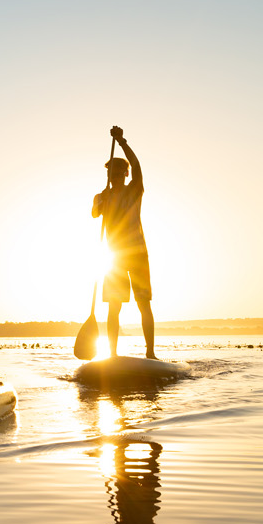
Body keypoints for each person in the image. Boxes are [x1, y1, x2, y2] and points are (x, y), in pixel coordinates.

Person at [93, 126, 158, 358]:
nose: (116, 177)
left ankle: (150, 353)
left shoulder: (134, 190)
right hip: (114, 259)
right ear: (108, 176)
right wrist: (103, 200)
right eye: (112, 174)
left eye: (120, 173)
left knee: (144, 304)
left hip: (137, 255)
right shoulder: (102, 197)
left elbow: (137, 165)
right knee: (114, 306)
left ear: (126, 175)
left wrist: (122, 142)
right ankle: (112, 355)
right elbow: (94, 213)